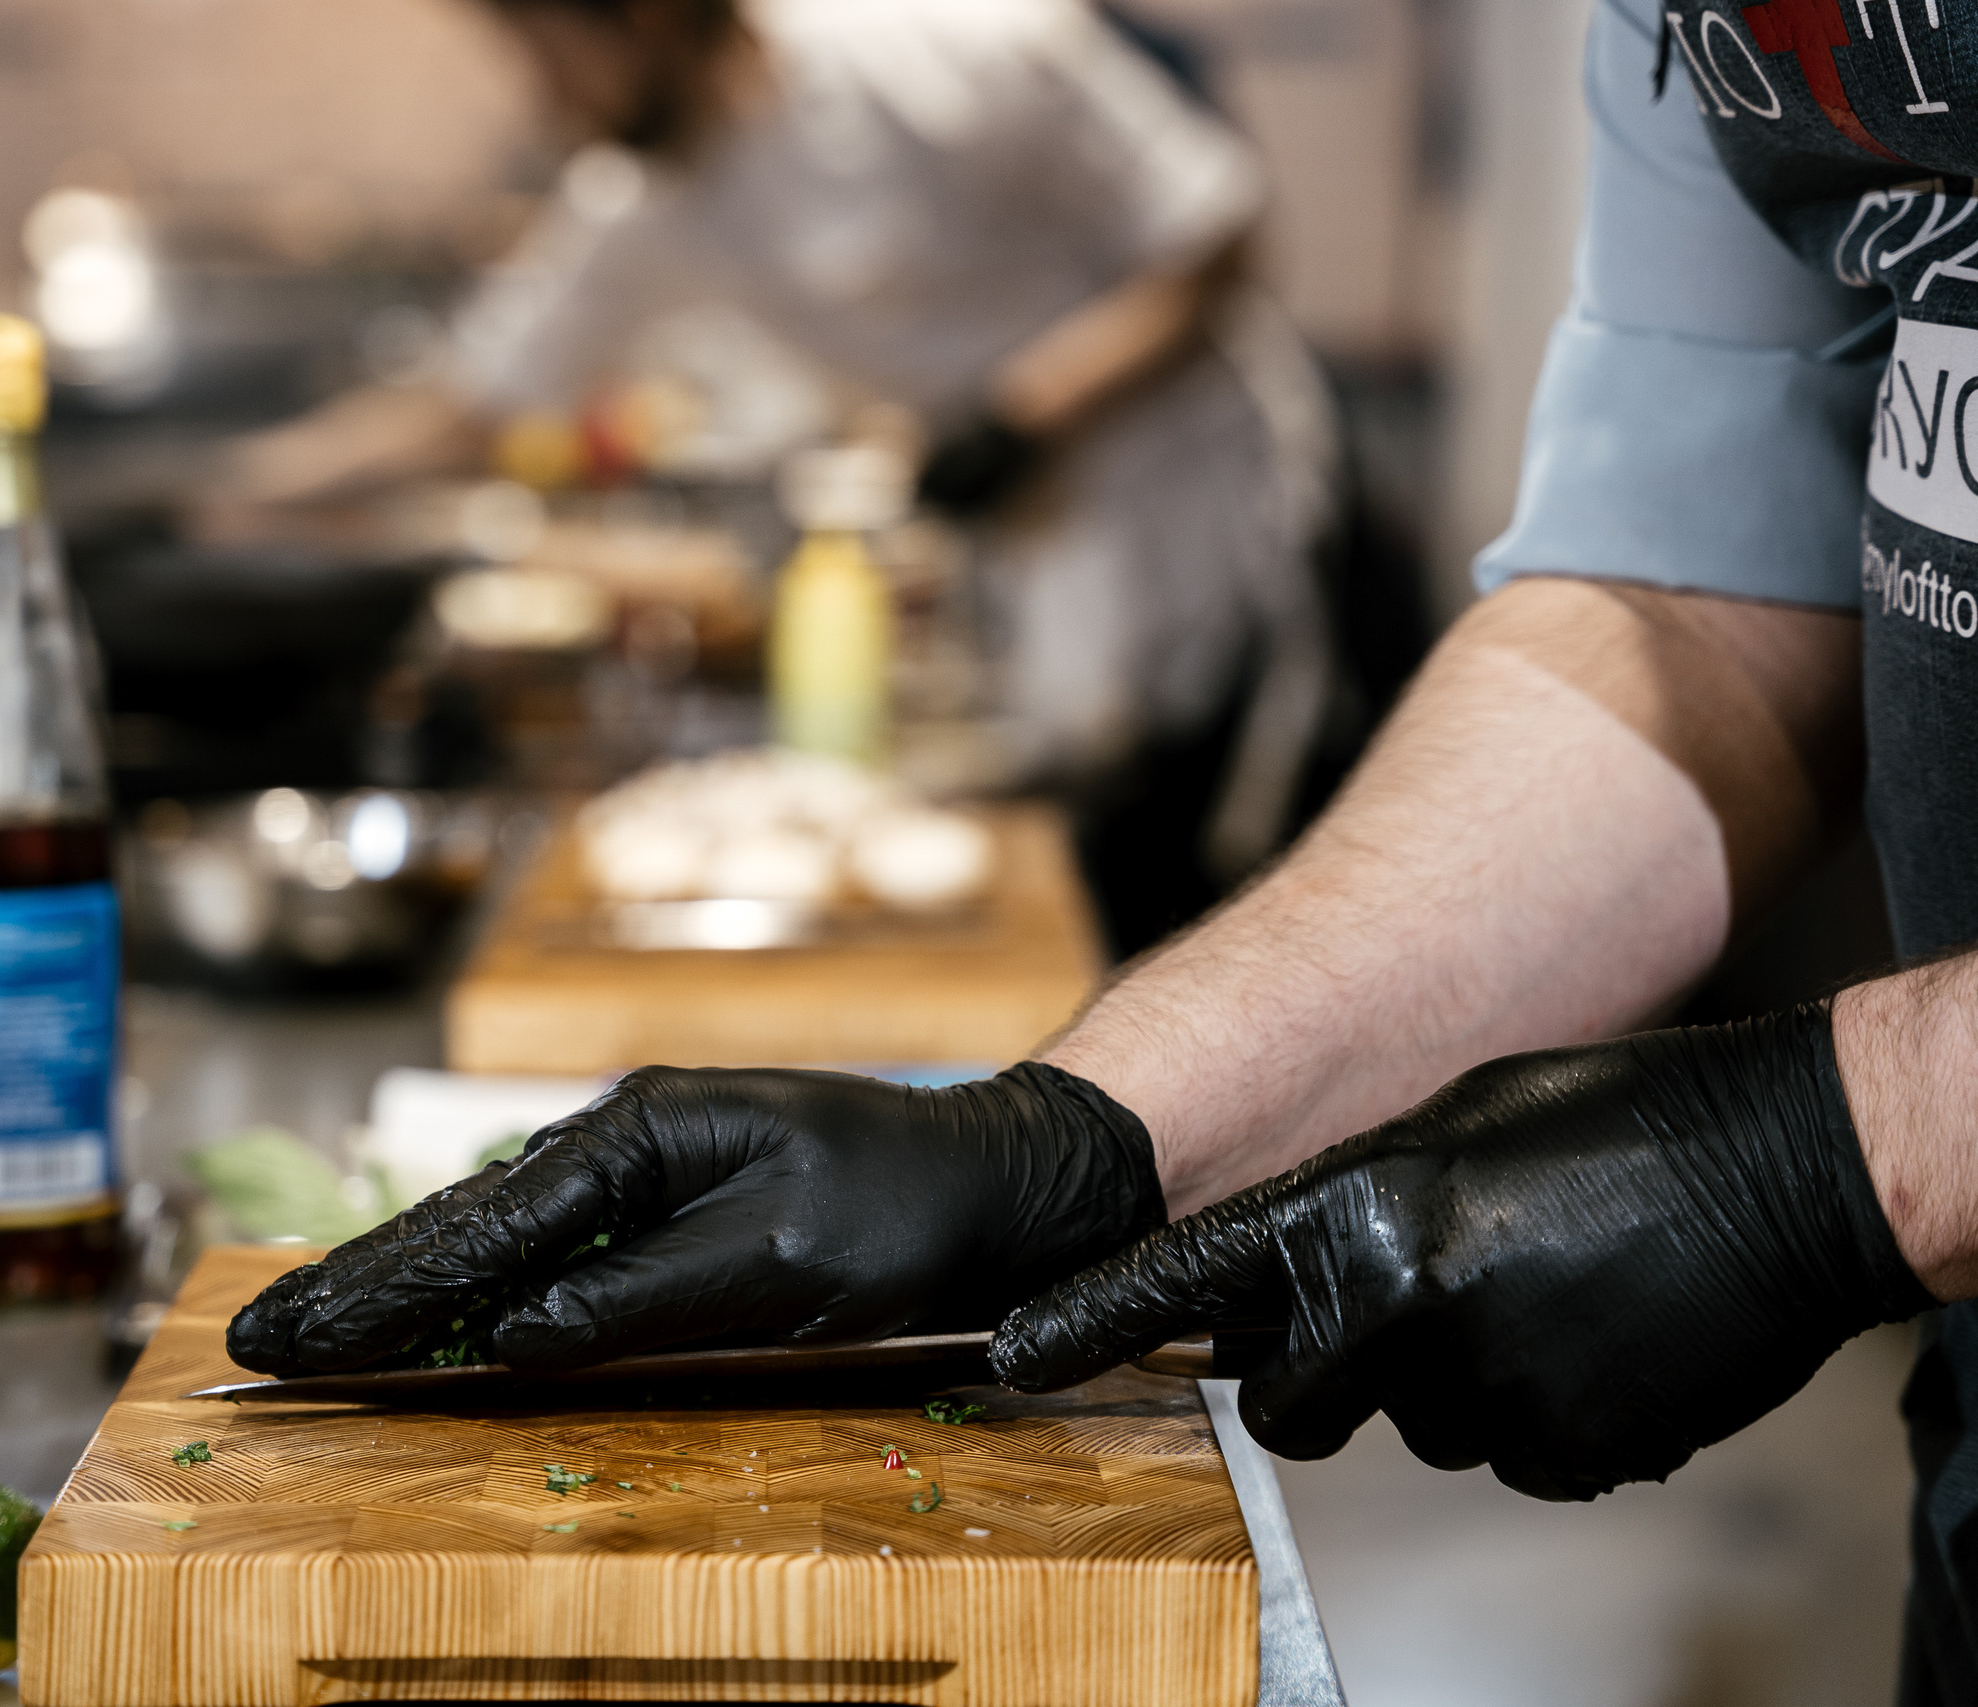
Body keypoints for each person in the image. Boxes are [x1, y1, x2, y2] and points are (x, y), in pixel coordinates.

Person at [235, 0, 1978, 1691]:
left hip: (1195, 558)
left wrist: (1858, 1137)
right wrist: (1084, 1131)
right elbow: (1703, 599)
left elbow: (1208, 224)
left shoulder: (945, 52)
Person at [217, 0, 1343, 934]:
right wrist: (230, 490)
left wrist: (1023, 416)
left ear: (648, 16)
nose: (543, 99)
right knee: (1084, 871)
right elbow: (469, 402)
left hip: (1206, 514)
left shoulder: (952, 45)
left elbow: (1220, 233)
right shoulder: (645, 202)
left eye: (544, 49)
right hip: (1034, 556)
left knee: (1211, 888)